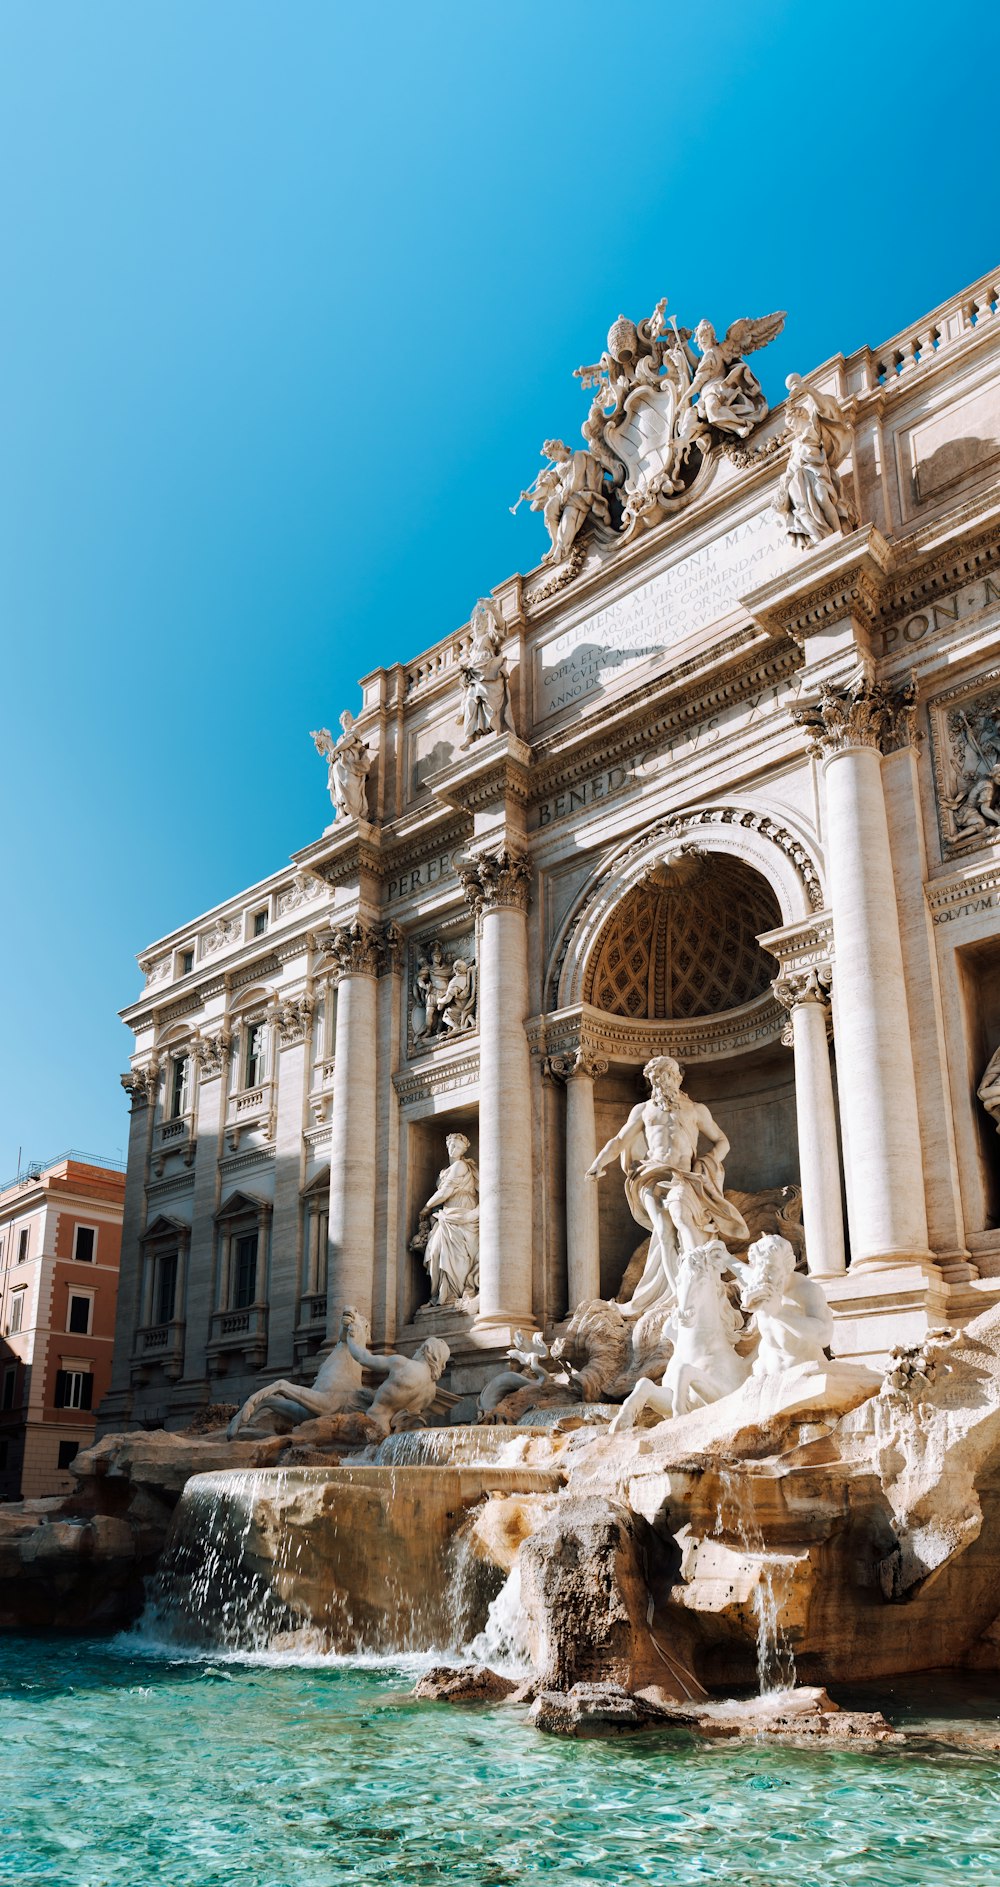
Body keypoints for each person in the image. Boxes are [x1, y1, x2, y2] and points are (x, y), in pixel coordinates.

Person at [586, 1055, 748, 1318]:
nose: (661, 1083)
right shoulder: (643, 1110)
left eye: (666, 1076)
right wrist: (598, 1162)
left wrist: (706, 1163)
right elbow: (619, 1140)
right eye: (655, 1079)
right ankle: (679, 1297)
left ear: (678, 1078)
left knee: (682, 1222)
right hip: (651, 1175)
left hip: (685, 1177)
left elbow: (722, 1142)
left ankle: (692, 1286)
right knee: (663, 1232)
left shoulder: (696, 1110)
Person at [412, 1132, 480, 1305]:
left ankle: (454, 1293)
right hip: (446, 1215)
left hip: (462, 1213)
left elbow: (445, 1191)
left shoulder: (460, 1166)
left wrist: (426, 1207)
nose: (453, 1149)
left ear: (464, 1149)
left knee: (458, 1256)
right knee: (436, 1251)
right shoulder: (444, 1171)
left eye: (457, 1146)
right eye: (451, 1145)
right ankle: (442, 1294)